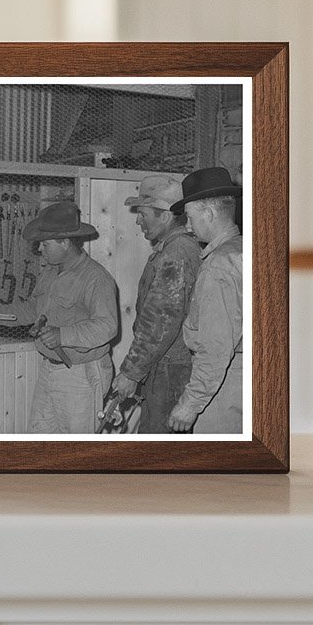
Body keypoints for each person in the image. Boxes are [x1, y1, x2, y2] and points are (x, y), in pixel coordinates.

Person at [0, 202, 119, 433]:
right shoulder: (51, 271)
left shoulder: (95, 278)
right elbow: (32, 309)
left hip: (81, 374)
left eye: (45, 243)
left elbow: (107, 326)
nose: (40, 248)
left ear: (65, 242)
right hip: (50, 370)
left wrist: (62, 335)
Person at [114, 176, 202, 433]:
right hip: (168, 365)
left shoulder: (175, 254)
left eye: (143, 214)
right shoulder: (178, 248)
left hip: (171, 370)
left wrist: (131, 373)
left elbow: (159, 322)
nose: (138, 221)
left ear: (164, 216)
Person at [165, 167, 243, 435]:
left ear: (208, 214)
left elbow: (215, 347)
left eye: (190, 217)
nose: (188, 226)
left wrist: (190, 405)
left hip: (226, 383)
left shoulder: (219, 265)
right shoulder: (245, 250)